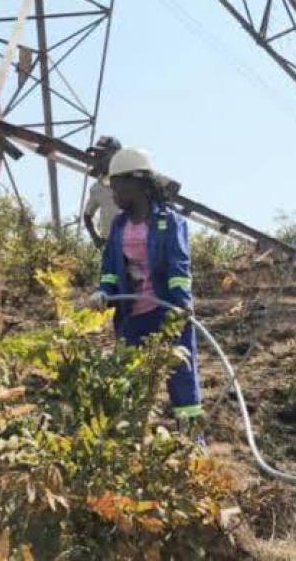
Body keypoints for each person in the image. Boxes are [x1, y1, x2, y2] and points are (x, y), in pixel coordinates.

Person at [88, 148, 202, 430]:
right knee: (129, 378)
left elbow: (179, 268)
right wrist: (104, 290)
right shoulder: (119, 225)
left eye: (117, 188)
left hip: (168, 313)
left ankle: (191, 441)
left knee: (181, 376)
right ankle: (134, 439)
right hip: (132, 316)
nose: (114, 196)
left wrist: (181, 305)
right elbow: (112, 268)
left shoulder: (169, 222)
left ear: (137, 184)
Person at [83, 136, 122, 249]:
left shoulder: (132, 179)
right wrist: (96, 238)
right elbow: (87, 215)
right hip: (111, 245)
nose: (97, 159)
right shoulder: (97, 188)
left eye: (102, 155)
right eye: (96, 155)